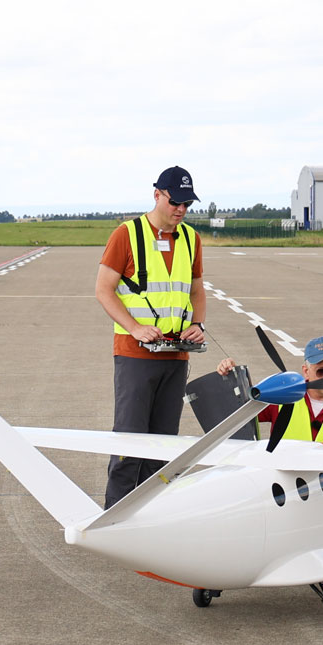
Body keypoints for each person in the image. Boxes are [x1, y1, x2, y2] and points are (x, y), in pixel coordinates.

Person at [94, 167, 208, 505]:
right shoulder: (126, 235)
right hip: (135, 355)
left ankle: (152, 516)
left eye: (187, 204)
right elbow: (103, 290)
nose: (181, 209)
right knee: (129, 444)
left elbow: (197, 290)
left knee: (163, 447)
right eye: (175, 202)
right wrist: (135, 328)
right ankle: (115, 517)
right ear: (157, 194)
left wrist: (198, 325)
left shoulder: (191, 239)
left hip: (176, 354)